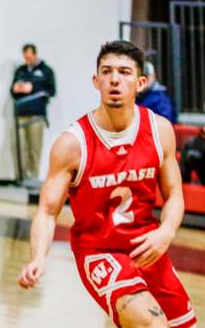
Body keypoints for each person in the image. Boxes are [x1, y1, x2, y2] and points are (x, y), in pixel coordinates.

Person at [19, 40, 196, 328]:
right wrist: (38, 257)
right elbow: (47, 211)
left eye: (125, 72)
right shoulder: (72, 144)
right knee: (153, 325)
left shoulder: (159, 130)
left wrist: (166, 231)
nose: (115, 79)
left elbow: (174, 192)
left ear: (141, 82)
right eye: (107, 71)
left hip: (146, 245)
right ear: (96, 80)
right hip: (99, 251)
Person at [10, 43, 56, 179]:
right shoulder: (20, 70)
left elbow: (51, 91)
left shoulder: (46, 71)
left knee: (34, 150)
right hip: (20, 115)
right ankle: (20, 179)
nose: (27, 60)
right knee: (19, 149)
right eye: (25, 57)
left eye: (30, 57)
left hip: (36, 117)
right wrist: (15, 88)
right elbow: (12, 91)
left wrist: (32, 87)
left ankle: (33, 180)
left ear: (35, 54)